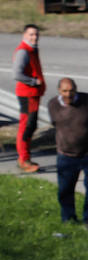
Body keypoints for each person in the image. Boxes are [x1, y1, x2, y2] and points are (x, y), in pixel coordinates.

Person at [47, 77, 88, 228]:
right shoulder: (53, 104)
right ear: (59, 91)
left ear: (76, 89)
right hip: (66, 154)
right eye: (65, 91)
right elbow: (54, 122)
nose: (68, 94)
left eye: (71, 90)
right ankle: (68, 218)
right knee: (65, 189)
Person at [12, 23, 45, 172]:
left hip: (33, 94)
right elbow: (17, 74)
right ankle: (23, 159)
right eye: (31, 34)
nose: (34, 37)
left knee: (31, 126)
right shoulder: (23, 51)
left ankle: (25, 157)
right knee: (26, 126)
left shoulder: (32, 50)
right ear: (24, 35)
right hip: (27, 94)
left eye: (36, 34)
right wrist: (33, 82)